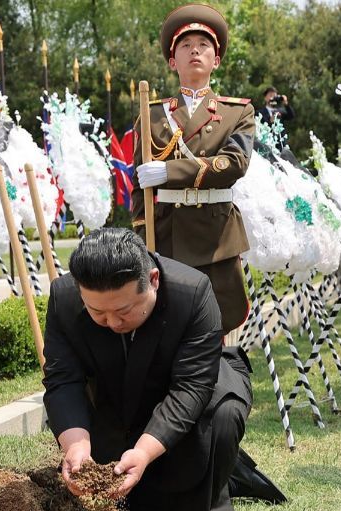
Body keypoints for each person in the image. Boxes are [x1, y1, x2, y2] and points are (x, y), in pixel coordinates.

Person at [43, 228, 285, 511]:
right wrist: (77, 445)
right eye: (97, 313)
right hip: (119, 393)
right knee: (137, 510)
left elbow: (191, 388)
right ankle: (223, 474)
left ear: (153, 281)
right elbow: (62, 380)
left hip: (198, 384)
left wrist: (142, 451)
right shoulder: (64, 297)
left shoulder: (193, 292)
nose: (111, 323)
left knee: (222, 414)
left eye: (123, 311)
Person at [130, 3, 255, 335]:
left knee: (220, 326)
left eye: (203, 45)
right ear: (173, 62)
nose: (195, 51)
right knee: (171, 327)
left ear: (216, 60)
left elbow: (235, 164)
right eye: (185, 46)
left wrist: (170, 172)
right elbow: (137, 186)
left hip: (216, 236)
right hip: (168, 236)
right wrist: (143, 238)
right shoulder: (153, 114)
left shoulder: (237, 113)